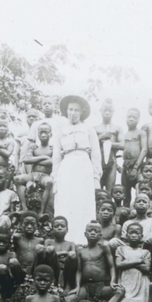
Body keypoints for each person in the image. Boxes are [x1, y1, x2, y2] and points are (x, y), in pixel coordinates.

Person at [51, 94, 101, 246]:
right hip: (66, 168)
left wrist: (96, 178)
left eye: (76, 110)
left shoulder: (89, 130)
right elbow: (56, 158)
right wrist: (55, 179)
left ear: (82, 112)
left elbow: (96, 155)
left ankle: (83, 242)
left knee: (83, 202)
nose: (72, 113)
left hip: (84, 167)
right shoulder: (60, 131)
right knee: (66, 202)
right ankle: (65, 242)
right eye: (70, 109)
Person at [68, 221, 123, 302]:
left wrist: (113, 281)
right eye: (90, 231)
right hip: (86, 287)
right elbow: (79, 270)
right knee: (67, 300)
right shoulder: (80, 251)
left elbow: (112, 266)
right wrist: (77, 286)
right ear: (85, 234)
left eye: (96, 231)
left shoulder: (103, 248)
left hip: (101, 286)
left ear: (100, 235)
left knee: (120, 291)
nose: (93, 233)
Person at [115, 222, 152, 302]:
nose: (134, 235)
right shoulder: (121, 249)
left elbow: (146, 268)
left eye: (137, 233)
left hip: (141, 282)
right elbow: (119, 264)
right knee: (126, 300)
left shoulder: (145, 252)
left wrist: (128, 262)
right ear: (126, 235)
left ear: (141, 236)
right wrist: (139, 261)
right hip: (127, 280)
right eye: (131, 232)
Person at [95, 98, 123, 196]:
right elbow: (91, 145)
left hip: (112, 162)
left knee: (109, 191)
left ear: (113, 112)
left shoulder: (117, 128)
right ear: (100, 111)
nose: (107, 112)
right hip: (98, 162)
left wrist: (108, 144)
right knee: (97, 190)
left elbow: (122, 145)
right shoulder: (95, 128)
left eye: (109, 110)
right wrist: (100, 138)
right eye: (105, 110)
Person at [121, 107, 147, 201]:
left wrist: (136, 167)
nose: (131, 119)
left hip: (137, 164)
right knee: (125, 193)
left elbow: (144, 149)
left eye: (134, 117)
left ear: (138, 119)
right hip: (125, 165)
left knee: (140, 190)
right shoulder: (124, 134)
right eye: (129, 116)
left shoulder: (141, 133)